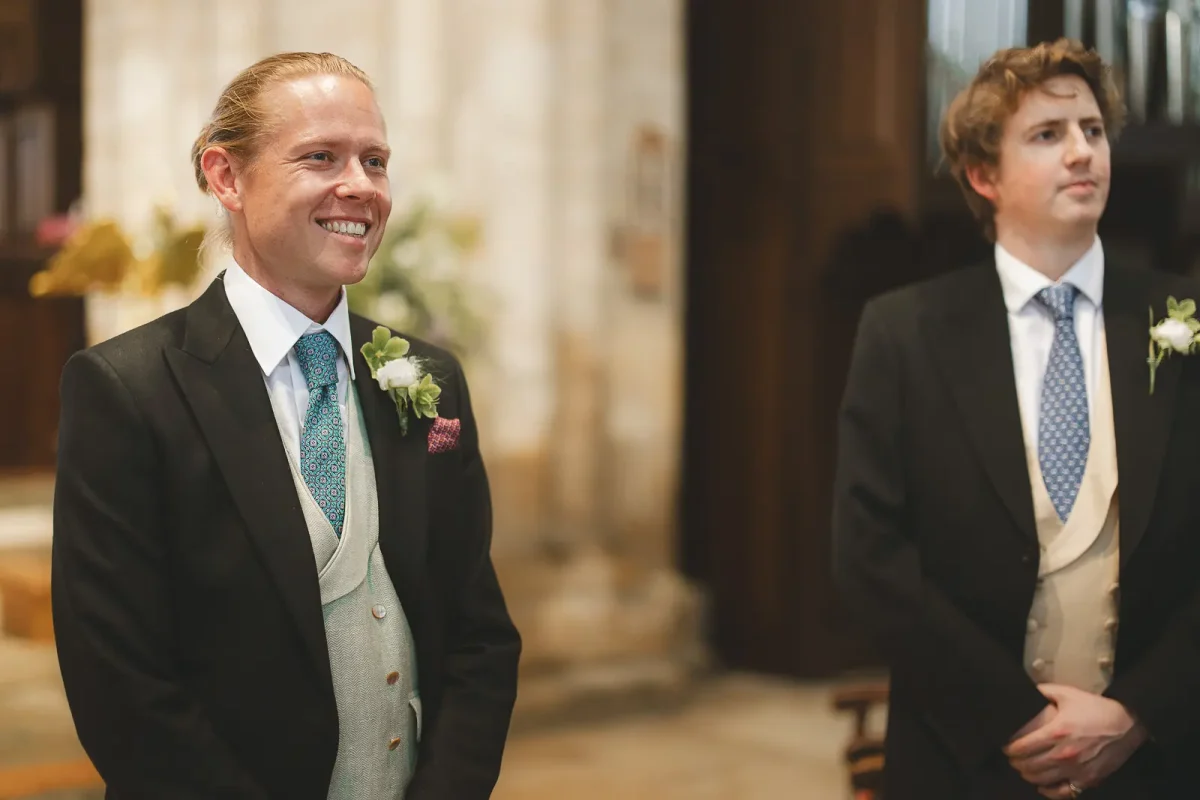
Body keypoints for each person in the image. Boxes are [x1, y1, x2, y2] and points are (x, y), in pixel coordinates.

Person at [51, 52, 521, 800]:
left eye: (375, 160)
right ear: (226, 177)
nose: (361, 187)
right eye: (321, 157)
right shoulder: (126, 390)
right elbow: (122, 684)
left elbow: (478, 632)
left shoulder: (430, 382)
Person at [833, 38, 1200, 799]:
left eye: (1093, 131)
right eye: (1048, 134)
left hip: (1156, 761)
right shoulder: (905, 332)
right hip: (964, 759)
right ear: (983, 174)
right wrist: (1012, 719)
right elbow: (870, 557)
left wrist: (1137, 711)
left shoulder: (1183, 320)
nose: (1081, 153)